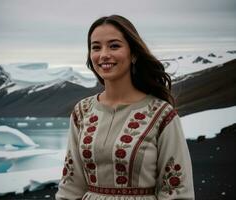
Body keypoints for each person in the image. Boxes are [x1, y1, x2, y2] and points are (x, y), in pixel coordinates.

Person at [56, 15, 194, 200]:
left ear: (134, 53)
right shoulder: (82, 111)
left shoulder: (161, 114)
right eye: (96, 47)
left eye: (114, 46)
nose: (104, 54)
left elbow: (177, 192)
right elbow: (71, 185)